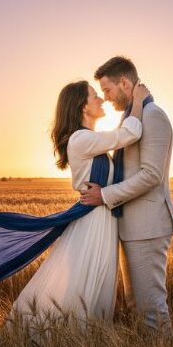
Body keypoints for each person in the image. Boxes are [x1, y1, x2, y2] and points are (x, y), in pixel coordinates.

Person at [11, 79, 150, 326]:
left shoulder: (91, 139)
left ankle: (80, 343)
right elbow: (130, 133)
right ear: (83, 107)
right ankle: (63, 340)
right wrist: (137, 101)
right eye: (94, 96)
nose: (101, 99)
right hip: (93, 222)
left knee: (93, 284)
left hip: (102, 219)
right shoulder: (80, 139)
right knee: (83, 284)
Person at [80, 56, 173, 336]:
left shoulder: (153, 115)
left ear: (124, 83)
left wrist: (105, 195)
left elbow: (151, 175)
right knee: (136, 305)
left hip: (148, 227)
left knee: (152, 308)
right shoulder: (132, 117)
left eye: (108, 90)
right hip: (130, 226)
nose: (106, 98)